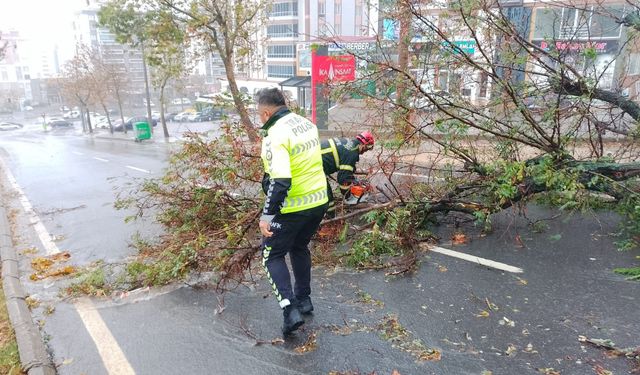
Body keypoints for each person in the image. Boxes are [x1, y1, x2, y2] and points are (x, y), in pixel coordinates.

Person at [257, 88, 328, 335]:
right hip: (318, 201)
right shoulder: (306, 124)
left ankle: (290, 311)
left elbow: (280, 181)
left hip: (292, 206)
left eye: (259, 115)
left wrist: (266, 216)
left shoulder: (275, 135)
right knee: (299, 247)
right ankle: (304, 300)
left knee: (271, 256)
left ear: (266, 113)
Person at [320, 131, 375, 217]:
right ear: (363, 145)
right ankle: (329, 220)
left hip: (314, 161)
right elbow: (343, 178)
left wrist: (352, 176)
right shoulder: (352, 152)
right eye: (366, 149)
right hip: (312, 166)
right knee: (327, 196)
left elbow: (345, 165)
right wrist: (347, 195)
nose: (364, 152)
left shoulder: (349, 143)